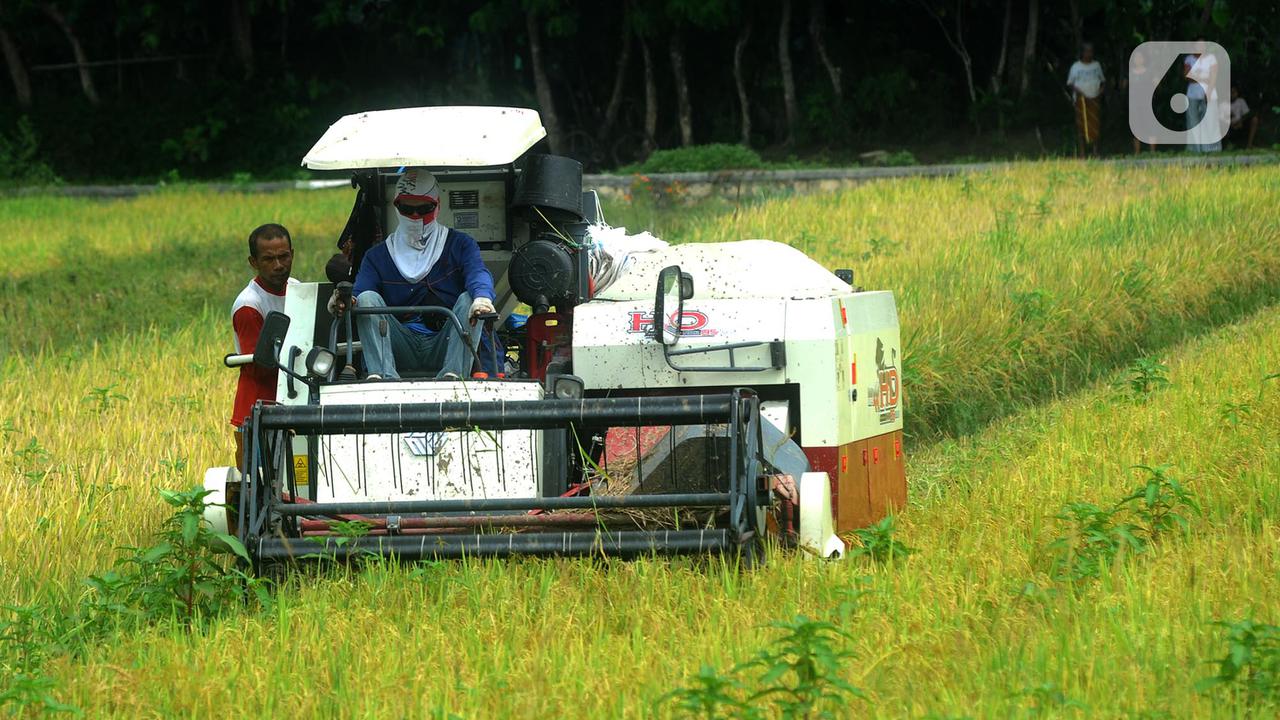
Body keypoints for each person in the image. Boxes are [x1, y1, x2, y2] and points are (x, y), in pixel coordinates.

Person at [332, 168, 497, 380]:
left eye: (424, 208)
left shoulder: (461, 244)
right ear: (396, 206)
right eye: (407, 209)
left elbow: (478, 273)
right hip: (399, 344)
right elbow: (360, 293)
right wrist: (343, 300)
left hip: (446, 342)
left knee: (469, 299)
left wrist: (482, 298)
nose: (416, 216)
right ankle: (382, 375)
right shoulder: (377, 256)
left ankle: (454, 376)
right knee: (366, 299)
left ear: (437, 205)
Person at [230, 223, 297, 469]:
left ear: (292, 254)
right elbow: (259, 367)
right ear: (253, 262)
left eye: (284, 256)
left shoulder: (297, 289)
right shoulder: (249, 305)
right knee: (260, 483)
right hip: (259, 411)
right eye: (269, 259)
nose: (278, 265)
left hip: (293, 403)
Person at [1066, 43, 1105, 157]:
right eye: (1087, 51)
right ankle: (1082, 152)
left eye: (1091, 51)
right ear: (1082, 53)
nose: (1089, 54)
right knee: (1081, 125)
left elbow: (1103, 81)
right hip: (1081, 99)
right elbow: (1070, 83)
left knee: (1095, 125)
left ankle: (1095, 151)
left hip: (1094, 98)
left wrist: (1100, 92)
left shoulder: (1096, 65)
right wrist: (1079, 92)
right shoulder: (1076, 66)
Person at [1184, 39, 1221, 152]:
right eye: (1198, 45)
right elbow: (1187, 76)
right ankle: (1195, 149)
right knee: (1193, 122)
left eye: (1203, 45)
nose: (1201, 47)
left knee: (1210, 121)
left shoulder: (1211, 58)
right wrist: (1205, 78)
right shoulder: (1189, 59)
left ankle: (1212, 149)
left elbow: (1213, 77)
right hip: (1192, 95)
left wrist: (1208, 91)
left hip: (1210, 94)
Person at [1226, 85, 1260, 150]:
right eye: (1231, 92)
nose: (1232, 94)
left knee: (1254, 119)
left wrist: (1241, 121)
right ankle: (1228, 144)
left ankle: (1249, 144)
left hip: (1241, 124)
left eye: (1234, 92)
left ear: (1237, 93)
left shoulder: (1241, 101)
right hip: (1230, 127)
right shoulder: (1224, 103)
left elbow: (1247, 114)